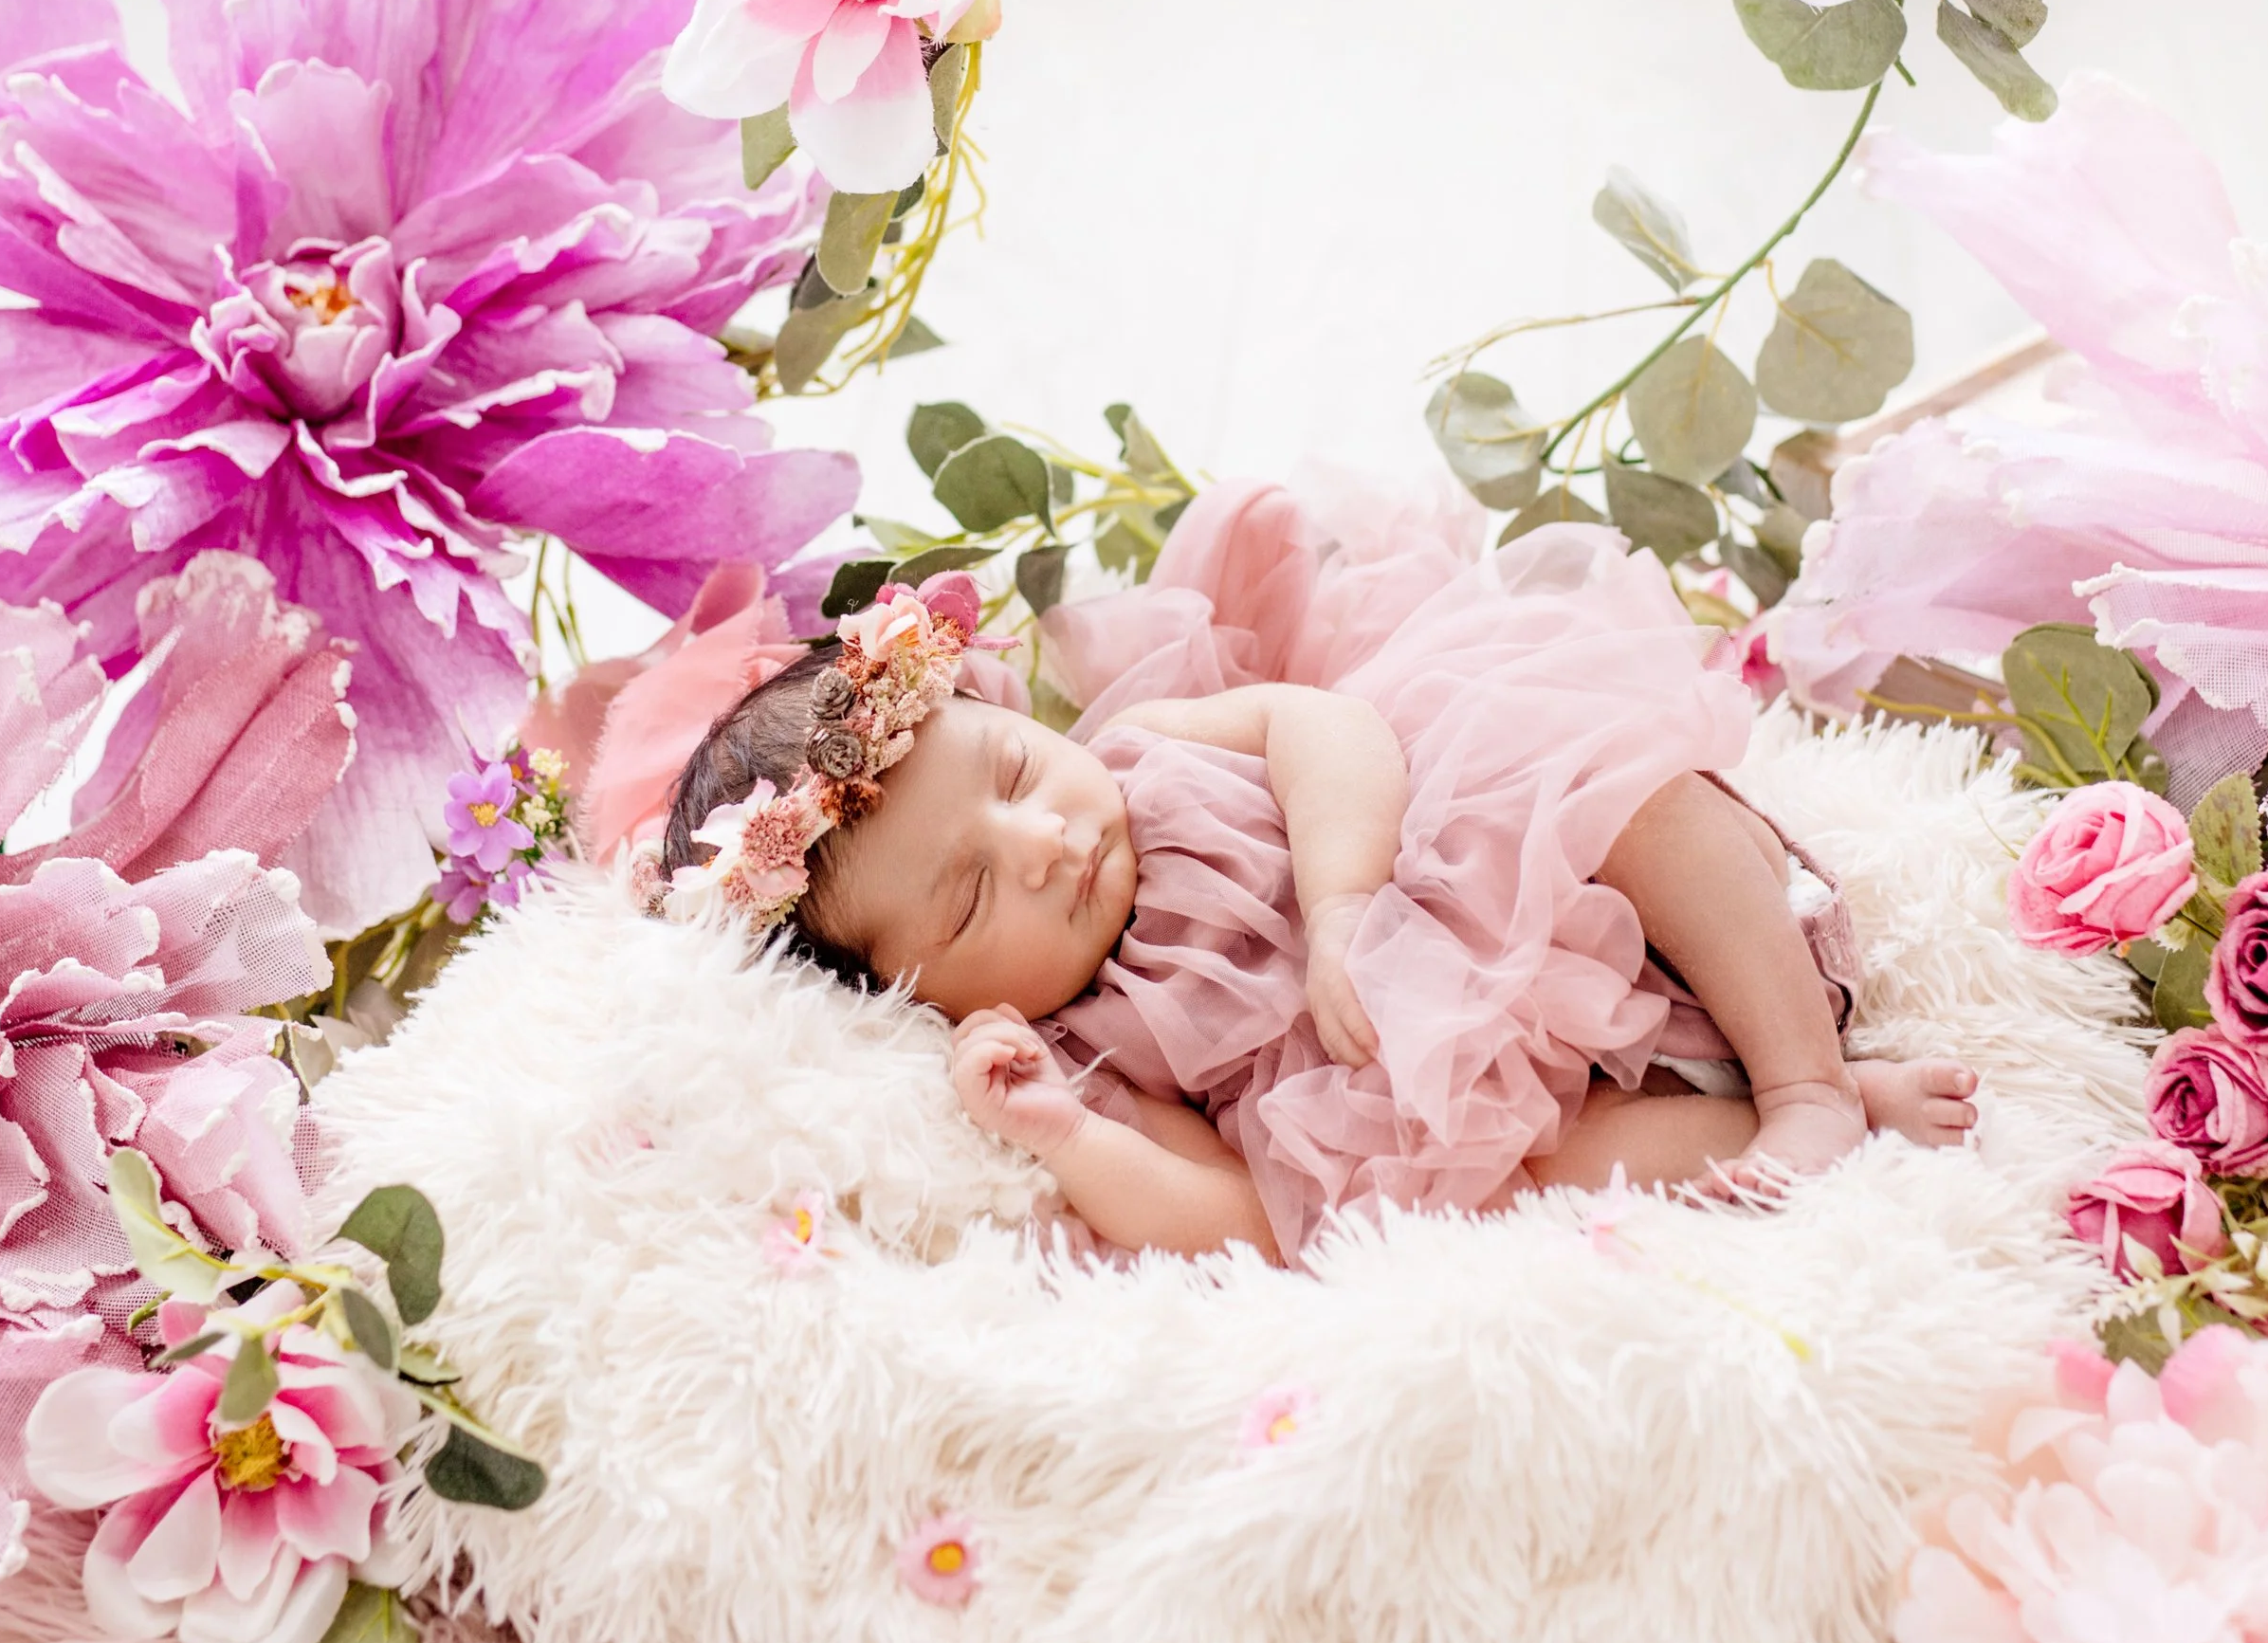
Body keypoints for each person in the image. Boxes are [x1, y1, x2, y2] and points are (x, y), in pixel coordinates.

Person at [649, 485, 1976, 1266]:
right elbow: (1236, 1214)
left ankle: (1797, 1070)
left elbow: (1323, 725)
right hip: (1429, 1098)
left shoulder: (1142, 744)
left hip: (1457, 869)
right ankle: (1798, 1117)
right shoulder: (1086, 1047)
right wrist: (1063, 1132)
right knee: (1525, 1178)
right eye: (968, 897)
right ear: (908, 990)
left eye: (1009, 774)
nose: (1044, 842)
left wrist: (1345, 903)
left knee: (1610, 781)